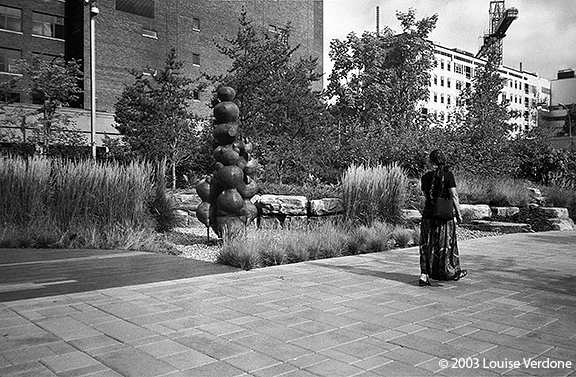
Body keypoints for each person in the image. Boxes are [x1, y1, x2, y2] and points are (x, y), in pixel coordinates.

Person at [419, 149, 467, 286]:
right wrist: (458, 214)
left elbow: (427, 197)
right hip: (444, 216)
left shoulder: (425, 177)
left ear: (430, 162)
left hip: (428, 215)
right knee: (446, 245)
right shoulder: (448, 175)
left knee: (426, 244)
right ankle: (448, 271)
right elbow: (454, 196)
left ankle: (424, 275)